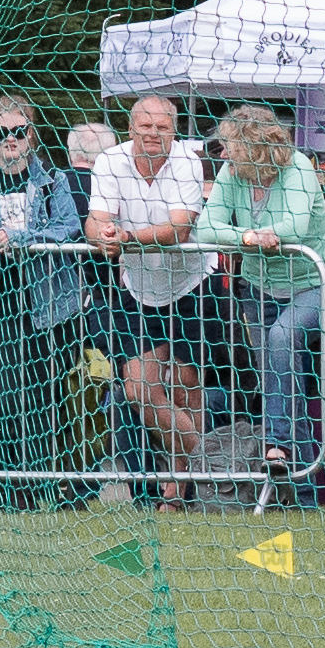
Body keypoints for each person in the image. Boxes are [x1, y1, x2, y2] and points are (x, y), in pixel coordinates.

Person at [194, 105, 325, 505]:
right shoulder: (231, 174)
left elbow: (294, 225)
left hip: (317, 282)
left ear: (253, 146)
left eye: (230, 146)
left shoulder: (298, 167)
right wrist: (249, 238)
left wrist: (257, 235)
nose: (223, 154)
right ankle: (310, 494)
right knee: (282, 380)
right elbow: (206, 227)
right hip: (259, 288)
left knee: (282, 337)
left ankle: (275, 444)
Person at [87, 96, 216, 509]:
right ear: (130, 128)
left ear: (173, 130)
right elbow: (96, 218)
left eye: (162, 127)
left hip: (192, 283)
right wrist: (101, 235)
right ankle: (213, 466)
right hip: (137, 288)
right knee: (139, 387)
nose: (153, 134)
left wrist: (124, 238)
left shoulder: (188, 160)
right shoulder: (109, 160)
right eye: (145, 126)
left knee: (186, 388)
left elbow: (179, 229)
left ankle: (177, 493)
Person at [0, 96, 83, 509]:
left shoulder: (53, 181)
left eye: (18, 132)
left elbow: (70, 229)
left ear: (31, 135)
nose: (11, 141)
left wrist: (22, 239)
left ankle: (39, 488)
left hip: (47, 307)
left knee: (42, 397)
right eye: (2, 133)